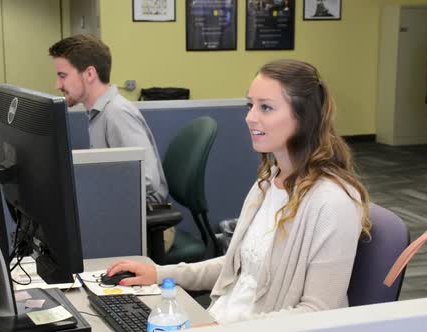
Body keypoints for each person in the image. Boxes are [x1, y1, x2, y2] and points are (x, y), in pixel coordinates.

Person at [106, 59, 372, 324]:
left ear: (304, 118)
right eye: (250, 105)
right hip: (222, 319)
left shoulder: (333, 202)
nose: (250, 117)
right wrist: (159, 274)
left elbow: (319, 313)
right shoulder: (268, 182)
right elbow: (235, 267)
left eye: (265, 107)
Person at [49, 34, 174, 248]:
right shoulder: (99, 113)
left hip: (144, 224)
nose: (57, 84)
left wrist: (93, 193)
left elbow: (147, 180)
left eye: (62, 75)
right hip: (123, 217)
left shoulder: (116, 114)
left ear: (89, 74)